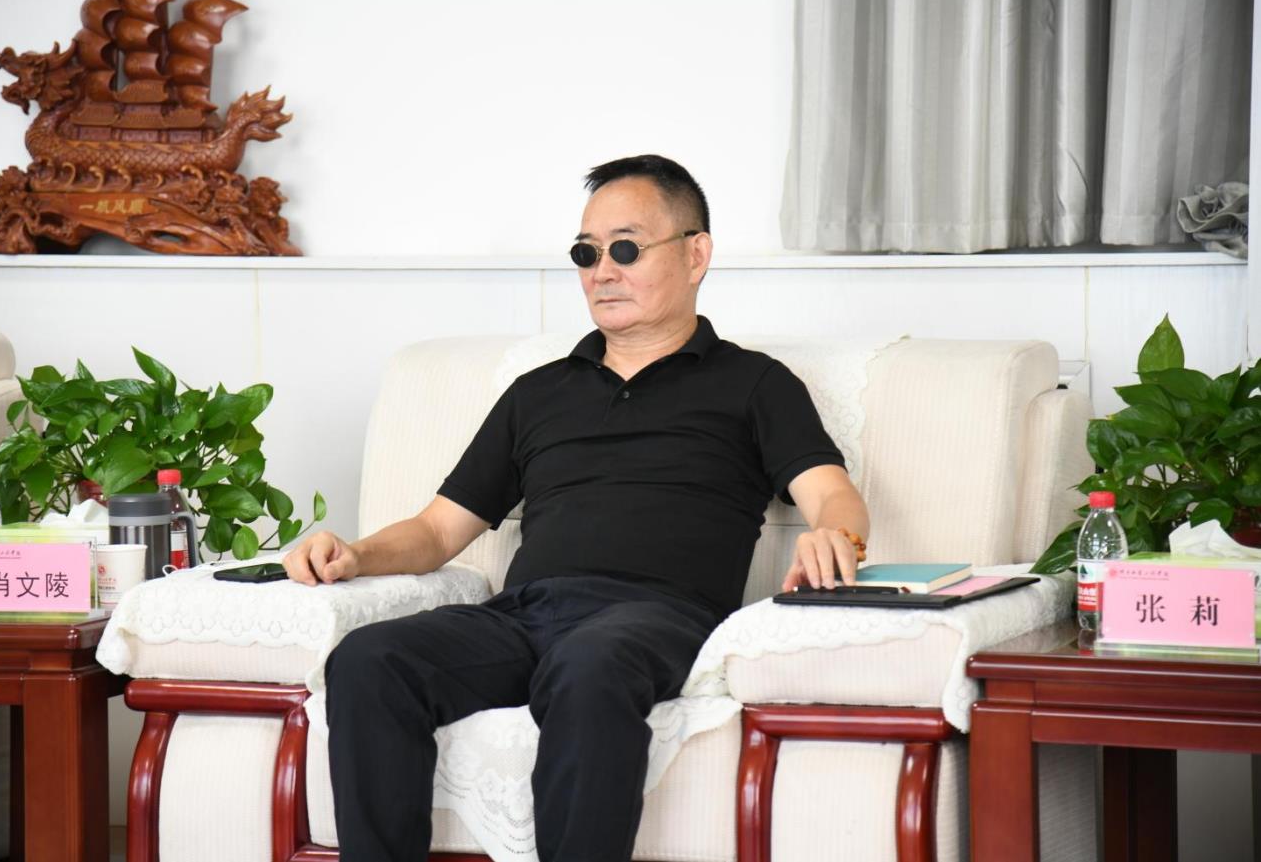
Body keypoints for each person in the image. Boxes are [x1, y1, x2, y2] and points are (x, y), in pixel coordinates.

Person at [283, 154, 870, 862]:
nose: (602, 271)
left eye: (626, 248)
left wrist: (834, 535)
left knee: (590, 662)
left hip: (658, 615)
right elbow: (438, 528)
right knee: (371, 657)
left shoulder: (754, 384)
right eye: (586, 253)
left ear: (696, 255)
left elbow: (830, 492)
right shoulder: (538, 393)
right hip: (524, 615)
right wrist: (354, 554)